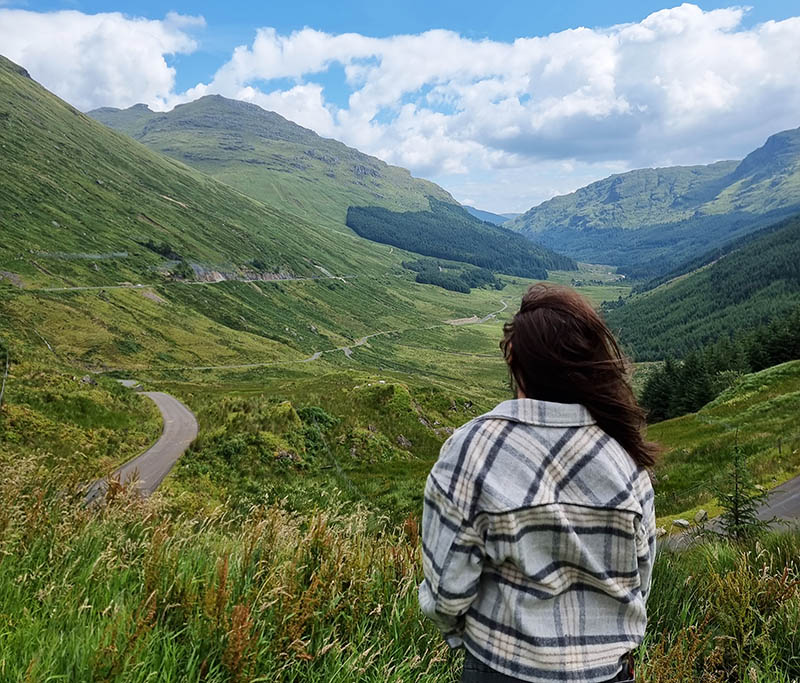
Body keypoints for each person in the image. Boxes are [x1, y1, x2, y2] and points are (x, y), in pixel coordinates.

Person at [419, 283, 657, 683]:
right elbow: (641, 579)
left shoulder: (472, 449)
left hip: (500, 668)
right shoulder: (625, 459)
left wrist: (468, 638)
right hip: (610, 673)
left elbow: (447, 590)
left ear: (516, 361)